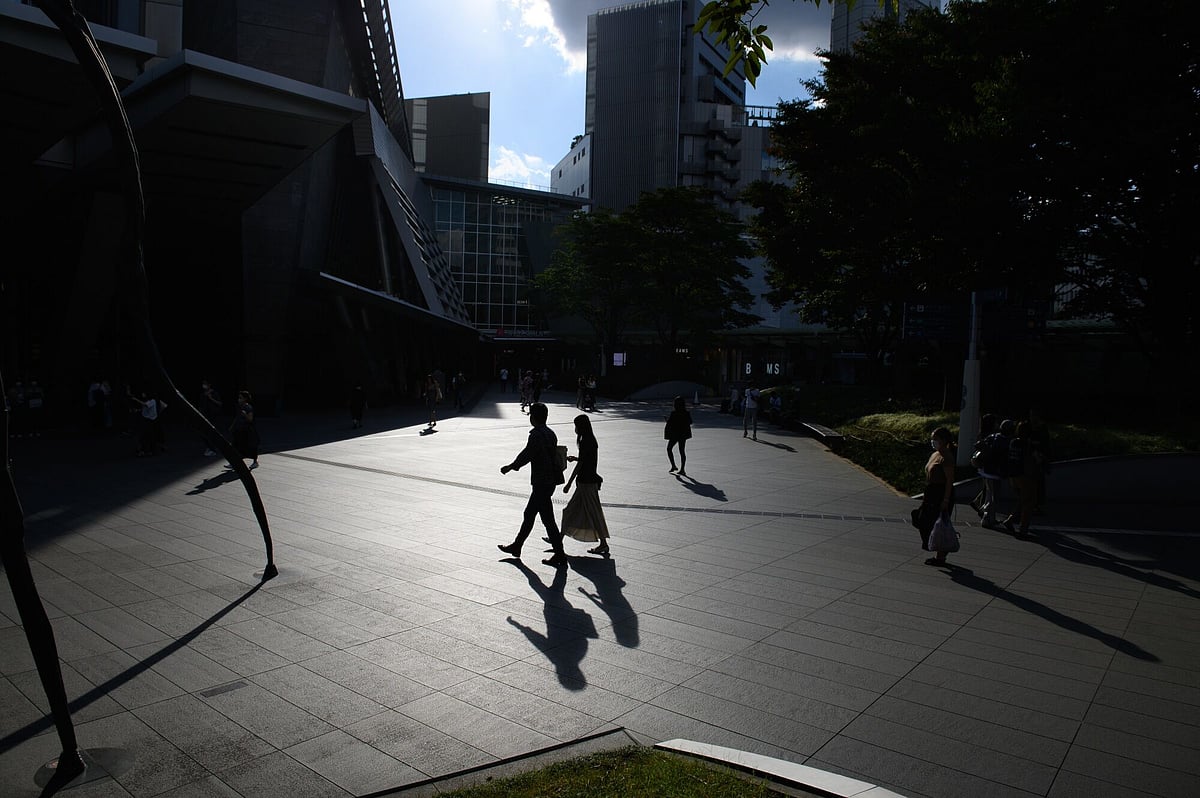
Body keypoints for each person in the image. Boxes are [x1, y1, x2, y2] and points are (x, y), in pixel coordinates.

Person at [498, 402, 569, 567]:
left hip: (541, 481)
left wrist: (510, 466)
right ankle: (518, 546)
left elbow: (527, 454)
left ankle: (557, 553)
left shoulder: (536, 435)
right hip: (549, 481)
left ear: (534, 417)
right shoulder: (551, 433)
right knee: (537, 516)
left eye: (531, 414)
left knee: (541, 517)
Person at [560, 414, 611, 556]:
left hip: (585, 483)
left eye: (575, 425)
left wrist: (568, 484)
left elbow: (581, 465)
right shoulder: (590, 440)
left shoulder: (584, 440)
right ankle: (559, 539)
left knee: (583, 512)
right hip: (589, 482)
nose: (575, 429)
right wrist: (576, 458)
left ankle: (603, 543)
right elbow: (586, 460)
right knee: (576, 511)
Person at [916, 426, 956, 566]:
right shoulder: (935, 454)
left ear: (944, 440)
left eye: (936, 439)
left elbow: (950, 481)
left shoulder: (947, 457)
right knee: (923, 520)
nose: (933, 441)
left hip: (940, 493)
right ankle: (935, 548)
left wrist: (945, 499)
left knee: (939, 524)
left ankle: (941, 556)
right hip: (931, 492)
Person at [228, 390, 259, 469]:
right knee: (235, 446)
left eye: (241, 398)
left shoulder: (248, 407)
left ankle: (255, 462)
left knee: (249, 446)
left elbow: (250, 419)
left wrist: (245, 415)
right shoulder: (239, 407)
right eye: (239, 398)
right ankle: (234, 463)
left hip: (246, 430)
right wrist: (232, 426)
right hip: (239, 429)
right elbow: (237, 417)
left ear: (245, 399)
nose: (239, 399)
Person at [664, 395, 693, 476]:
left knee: (669, 448)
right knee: (682, 451)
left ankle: (673, 465)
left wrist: (666, 420)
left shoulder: (674, 413)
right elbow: (690, 422)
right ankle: (682, 469)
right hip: (683, 434)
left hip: (675, 434)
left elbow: (670, 423)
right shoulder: (686, 413)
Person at [201, 380, 224, 455]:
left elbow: (220, 403)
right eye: (203, 384)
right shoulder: (203, 394)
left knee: (212, 433)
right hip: (205, 415)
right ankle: (210, 447)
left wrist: (211, 398)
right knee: (205, 433)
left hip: (214, 416)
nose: (204, 386)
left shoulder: (214, 393)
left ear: (209, 385)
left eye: (205, 384)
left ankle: (213, 449)